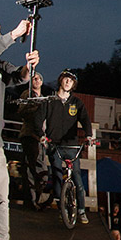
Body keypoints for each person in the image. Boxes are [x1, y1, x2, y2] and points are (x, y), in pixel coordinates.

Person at [0, 18, 39, 240]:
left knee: (2, 197)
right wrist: (14, 33)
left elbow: (20, 78)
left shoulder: (0, 66)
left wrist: (28, 67)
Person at [33, 70, 93, 223]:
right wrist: (41, 134)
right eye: (66, 79)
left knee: (78, 179)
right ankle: (62, 209)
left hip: (72, 146)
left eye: (71, 81)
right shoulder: (49, 101)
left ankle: (81, 210)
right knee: (57, 177)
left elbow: (85, 119)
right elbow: (38, 119)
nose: (68, 82)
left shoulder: (76, 102)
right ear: (61, 80)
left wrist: (88, 135)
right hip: (54, 145)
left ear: (73, 85)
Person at [18, 71, 49, 208]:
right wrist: (35, 107)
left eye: (38, 78)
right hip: (30, 135)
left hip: (41, 137)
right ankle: (31, 200)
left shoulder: (44, 98)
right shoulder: (27, 94)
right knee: (31, 168)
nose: (36, 80)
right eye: (33, 78)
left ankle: (38, 197)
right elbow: (21, 112)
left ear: (42, 82)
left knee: (40, 168)